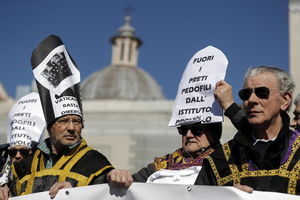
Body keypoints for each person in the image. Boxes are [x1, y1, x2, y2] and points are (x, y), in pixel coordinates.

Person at [9, 35, 132, 199]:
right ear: (51, 126)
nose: (72, 127)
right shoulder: (25, 165)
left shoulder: (95, 162)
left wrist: (115, 176)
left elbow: (107, 188)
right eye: (64, 121)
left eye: (77, 121)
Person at [195, 66, 300, 195]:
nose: (251, 100)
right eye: (246, 94)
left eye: (262, 93)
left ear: (285, 100)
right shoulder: (219, 159)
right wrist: (224, 197)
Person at [133, 122, 222, 184]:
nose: (188, 135)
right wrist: (121, 175)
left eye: (197, 130)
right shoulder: (161, 165)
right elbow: (132, 183)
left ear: (213, 134)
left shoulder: (226, 163)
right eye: (184, 129)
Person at [0, 92, 46, 200]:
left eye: (24, 151)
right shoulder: (3, 181)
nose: (17, 155)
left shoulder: (46, 174)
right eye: (12, 152)